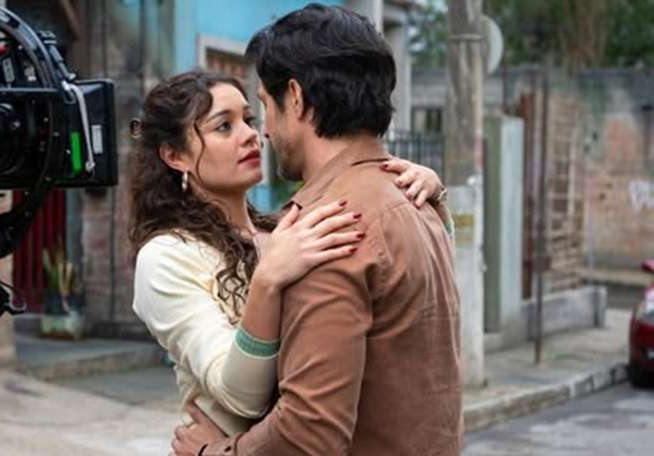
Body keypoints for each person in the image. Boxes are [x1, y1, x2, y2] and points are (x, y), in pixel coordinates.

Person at [172, 4, 462, 456]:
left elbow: (309, 434)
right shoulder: (418, 198)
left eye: (263, 108)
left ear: (296, 98)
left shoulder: (326, 228)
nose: (264, 133)